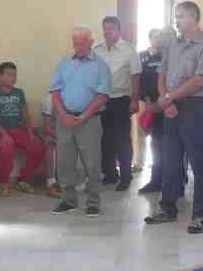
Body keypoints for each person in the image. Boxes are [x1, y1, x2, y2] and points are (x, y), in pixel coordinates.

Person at [145, 1, 203, 234]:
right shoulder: (172, 43)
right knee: (170, 160)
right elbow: (162, 74)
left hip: (193, 106)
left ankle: (201, 214)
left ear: (194, 18)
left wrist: (170, 97)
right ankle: (167, 208)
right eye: (176, 16)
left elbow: (198, 80)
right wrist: (165, 99)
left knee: (198, 162)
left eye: (181, 16)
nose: (177, 20)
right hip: (171, 106)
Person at [49, 27, 111, 216]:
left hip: (89, 121)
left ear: (91, 43)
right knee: (64, 163)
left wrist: (83, 116)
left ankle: (93, 202)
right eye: (75, 44)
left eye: (82, 44)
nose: (79, 47)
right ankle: (68, 200)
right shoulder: (64, 64)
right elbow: (55, 92)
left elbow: (102, 96)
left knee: (92, 163)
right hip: (65, 120)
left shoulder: (101, 66)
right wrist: (63, 115)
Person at [94, 16, 140, 191]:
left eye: (111, 29)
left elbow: (135, 76)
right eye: (105, 28)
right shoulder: (97, 50)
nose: (107, 32)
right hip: (101, 100)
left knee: (122, 139)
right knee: (105, 138)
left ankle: (126, 176)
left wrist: (134, 100)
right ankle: (110, 174)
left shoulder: (129, 50)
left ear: (118, 30)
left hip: (121, 99)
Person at [0, 61, 45, 197]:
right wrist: (4, 134)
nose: (13, 78)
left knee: (37, 146)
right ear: (0, 76)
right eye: (9, 75)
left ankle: (24, 179)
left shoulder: (19, 93)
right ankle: (3, 183)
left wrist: (30, 132)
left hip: (17, 130)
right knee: (7, 147)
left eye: (14, 75)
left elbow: (26, 114)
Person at [138, 28, 166, 194]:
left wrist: (164, 100)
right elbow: (141, 81)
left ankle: (176, 182)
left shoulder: (167, 56)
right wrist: (147, 101)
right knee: (156, 144)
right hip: (152, 106)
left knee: (172, 146)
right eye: (156, 37)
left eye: (161, 37)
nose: (159, 40)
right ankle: (155, 180)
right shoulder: (142, 56)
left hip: (169, 104)